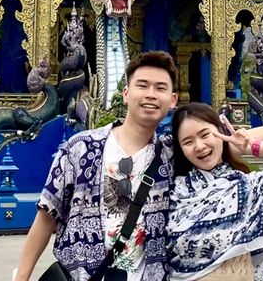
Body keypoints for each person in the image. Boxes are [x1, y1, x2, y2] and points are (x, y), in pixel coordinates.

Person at [14, 51, 179, 281]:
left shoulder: (172, 157)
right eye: (142, 85)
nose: (151, 94)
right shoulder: (80, 148)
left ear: (172, 100)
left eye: (160, 88)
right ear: (125, 94)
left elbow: (216, 147)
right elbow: (46, 216)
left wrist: (244, 143)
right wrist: (21, 277)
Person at [168, 102, 263, 280]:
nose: (199, 146)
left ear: (221, 132)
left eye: (205, 135)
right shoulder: (174, 191)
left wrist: (247, 147)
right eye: (188, 142)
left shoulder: (249, 187)